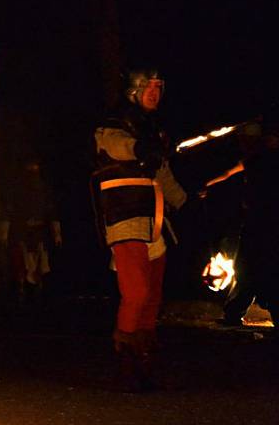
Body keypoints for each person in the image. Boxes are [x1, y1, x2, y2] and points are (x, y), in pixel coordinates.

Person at [92, 69, 187, 391]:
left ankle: (145, 360)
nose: (154, 92)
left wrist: (185, 203)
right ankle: (126, 361)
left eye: (159, 87)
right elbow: (117, 146)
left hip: (154, 219)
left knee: (153, 294)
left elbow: (163, 173)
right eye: (149, 87)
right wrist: (140, 148)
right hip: (124, 216)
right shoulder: (114, 123)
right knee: (136, 292)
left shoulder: (153, 131)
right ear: (134, 90)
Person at [205, 110, 279, 328]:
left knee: (260, 268)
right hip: (255, 223)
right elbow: (229, 172)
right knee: (249, 269)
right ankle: (233, 314)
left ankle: (237, 313)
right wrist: (207, 185)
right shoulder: (255, 159)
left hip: (268, 223)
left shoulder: (266, 159)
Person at [0, 156, 62, 306]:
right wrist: (3, 234)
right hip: (21, 234)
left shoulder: (44, 190)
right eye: (30, 169)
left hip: (39, 234)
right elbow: (8, 212)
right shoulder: (16, 190)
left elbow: (52, 212)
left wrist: (57, 234)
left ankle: (38, 296)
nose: (33, 172)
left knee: (39, 265)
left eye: (35, 169)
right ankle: (21, 295)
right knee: (22, 265)